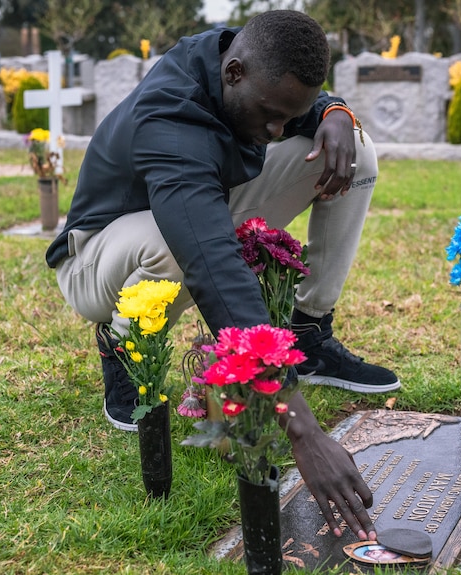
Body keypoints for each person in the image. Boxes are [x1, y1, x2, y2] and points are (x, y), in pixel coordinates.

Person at [45, 9, 399, 541]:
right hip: (97, 256)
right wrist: (301, 429)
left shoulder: (248, 67)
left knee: (353, 148)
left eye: (287, 117)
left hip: (192, 208)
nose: (276, 132)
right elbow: (211, 261)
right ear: (233, 74)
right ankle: (126, 343)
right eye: (269, 116)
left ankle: (310, 329)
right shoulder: (170, 116)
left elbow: (296, 110)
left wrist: (334, 113)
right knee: (178, 241)